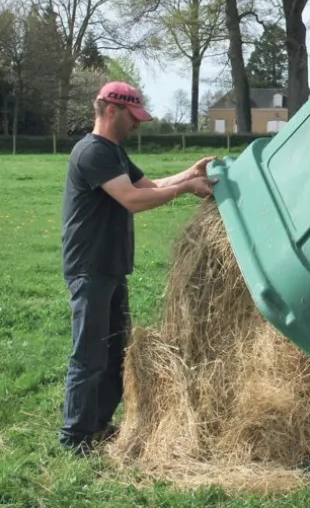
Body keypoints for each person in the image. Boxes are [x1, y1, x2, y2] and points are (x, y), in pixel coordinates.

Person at [59, 80, 218, 455]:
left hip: (111, 266)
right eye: (133, 117)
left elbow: (149, 184)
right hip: (90, 267)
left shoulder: (114, 152)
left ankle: (98, 425)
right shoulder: (92, 152)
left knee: (114, 352)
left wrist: (188, 174)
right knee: (89, 355)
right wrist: (186, 189)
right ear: (111, 110)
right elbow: (132, 199)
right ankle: (74, 437)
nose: (137, 124)